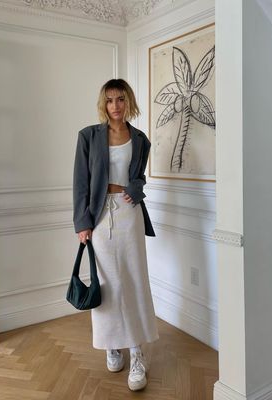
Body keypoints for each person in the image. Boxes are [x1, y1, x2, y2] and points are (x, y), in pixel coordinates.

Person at [73, 78, 159, 391]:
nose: (115, 106)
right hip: (98, 217)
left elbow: (138, 178)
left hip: (129, 214)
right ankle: (112, 343)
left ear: (128, 102)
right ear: (103, 104)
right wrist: (82, 221)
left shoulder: (140, 139)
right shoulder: (89, 136)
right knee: (107, 283)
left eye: (120, 99)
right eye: (109, 100)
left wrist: (136, 190)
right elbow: (81, 182)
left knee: (134, 279)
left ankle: (137, 352)